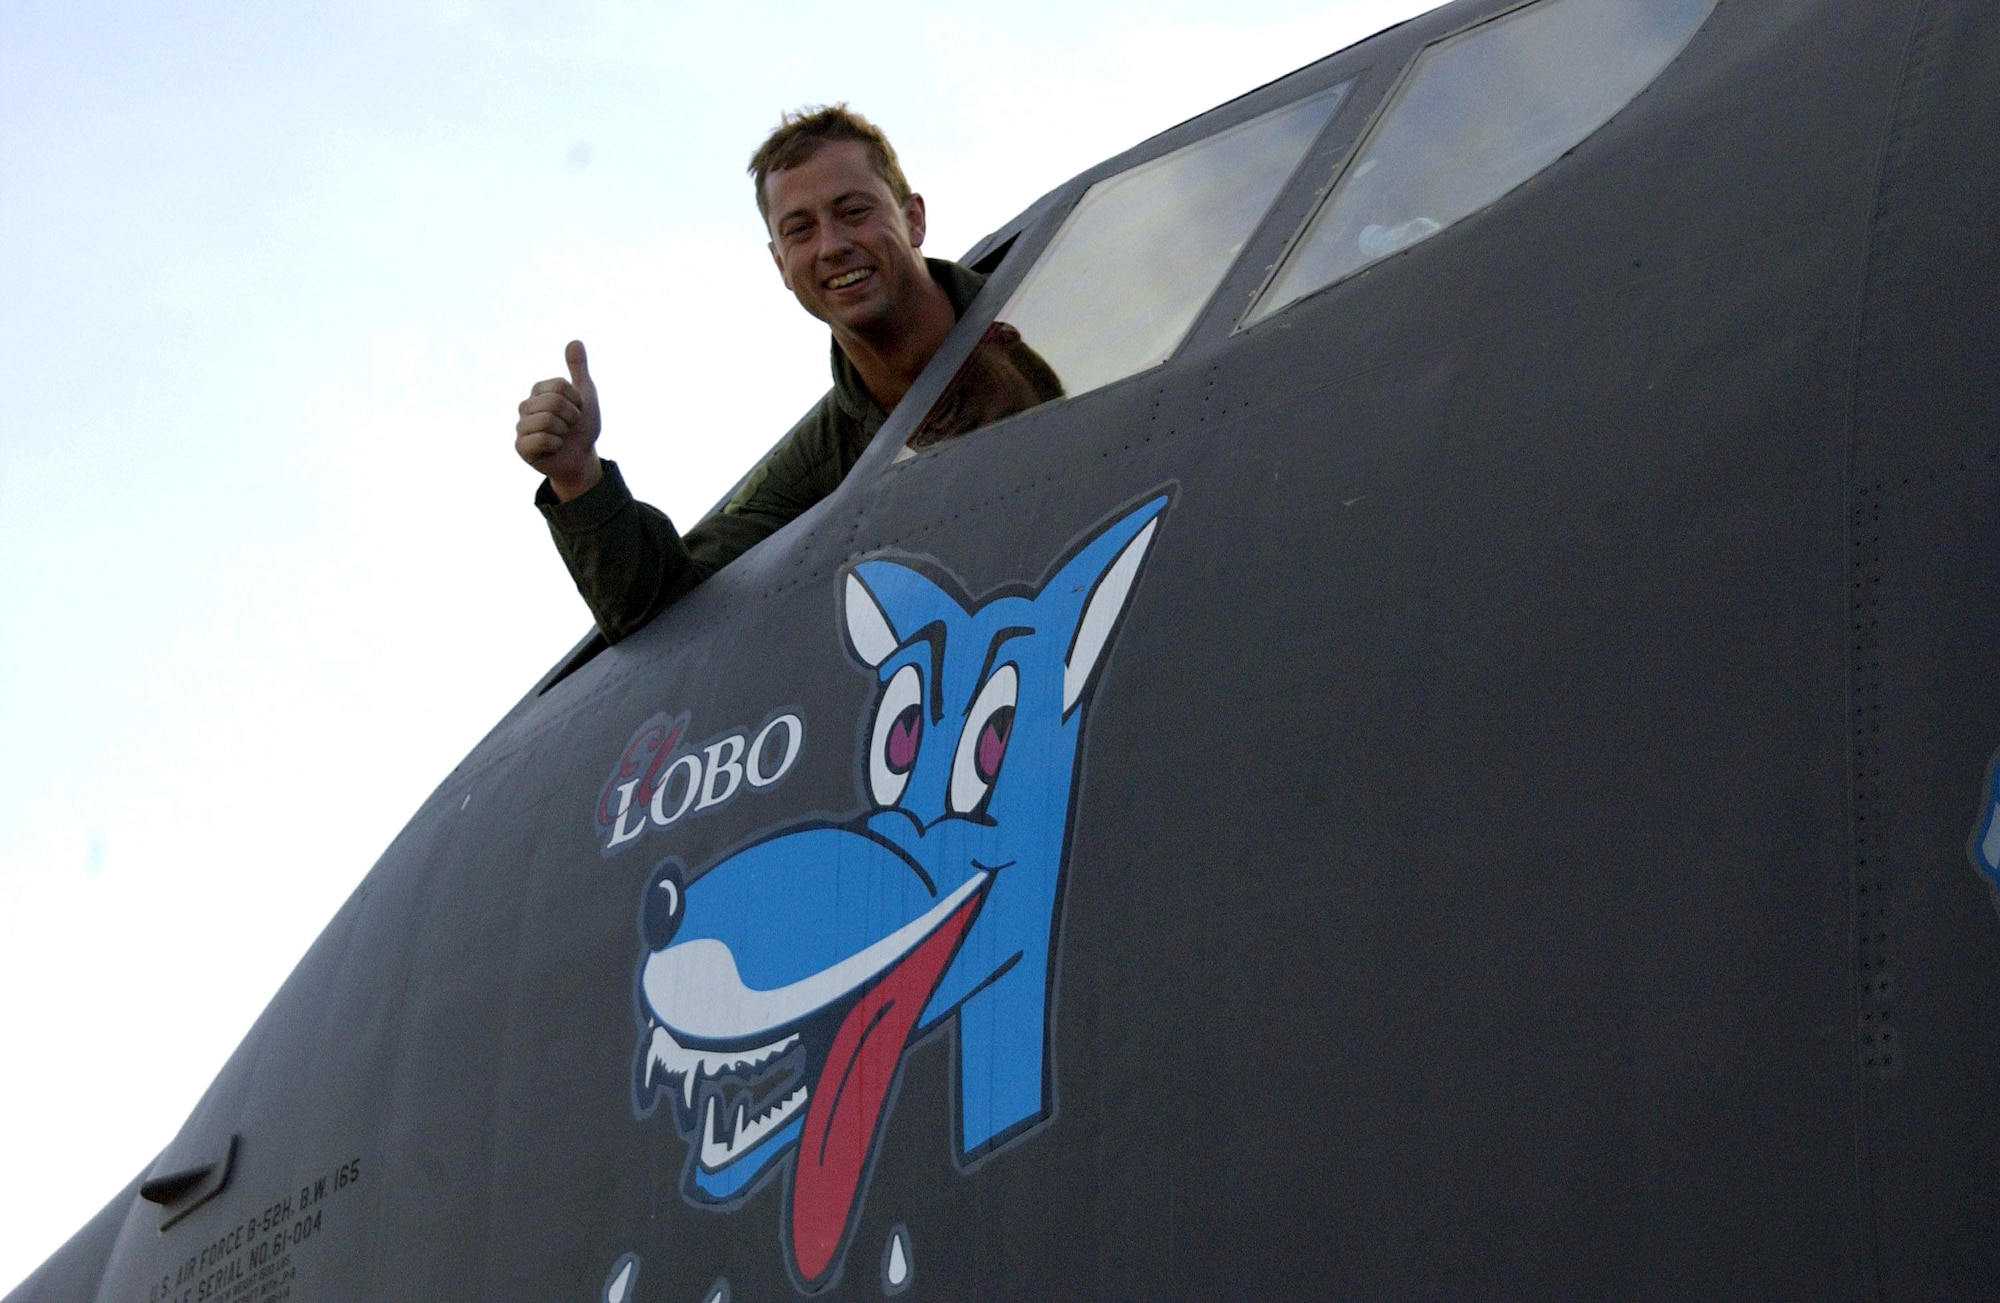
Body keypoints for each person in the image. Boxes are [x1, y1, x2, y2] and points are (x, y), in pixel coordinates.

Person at [513, 105, 1059, 644]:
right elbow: (666, 607)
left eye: (853, 212)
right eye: (800, 230)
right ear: (780, 265)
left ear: (913, 218)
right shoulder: (817, 464)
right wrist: (577, 477)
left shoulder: (1056, 298)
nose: (831, 246)